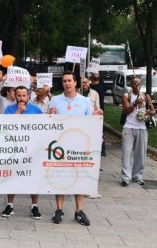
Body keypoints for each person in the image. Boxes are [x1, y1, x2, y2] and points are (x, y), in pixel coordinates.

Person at [48, 72, 103, 226]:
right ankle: (59, 209)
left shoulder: (85, 101)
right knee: (60, 176)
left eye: (70, 81)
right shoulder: (55, 100)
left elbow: (90, 122)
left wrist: (96, 117)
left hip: (79, 146)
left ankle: (79, 211)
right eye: (64, 81)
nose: (67, 84)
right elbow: (49, 123)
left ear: (75, 83)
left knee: (80, 177)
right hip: (60, 146)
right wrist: (49, 115)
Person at [3, 86, 43, 220]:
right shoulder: (9, 109)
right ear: (15, 96)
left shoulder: (36, 110)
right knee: (12, 176)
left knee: (33, 177)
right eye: (19, 95)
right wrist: (19, 112)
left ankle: (34, 206)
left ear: (28, 96)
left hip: (32, 150)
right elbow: (7, 127)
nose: (21, 98)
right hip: (15, 149)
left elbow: (44, 127)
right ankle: (10, 204)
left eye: (24, 96)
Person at [121, 76, 155, 187]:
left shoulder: (145, 96)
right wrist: (135, 103)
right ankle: (126, 177)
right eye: (135, 83)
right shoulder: (126, 96)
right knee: (126, 152)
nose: (137, 85)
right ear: (131, 85)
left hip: (141, 127)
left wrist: (148, 113)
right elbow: (127, 110)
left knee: (141, 153)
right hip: (129, 127)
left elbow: (153, 111)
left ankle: (137, 175)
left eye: (139, 83)